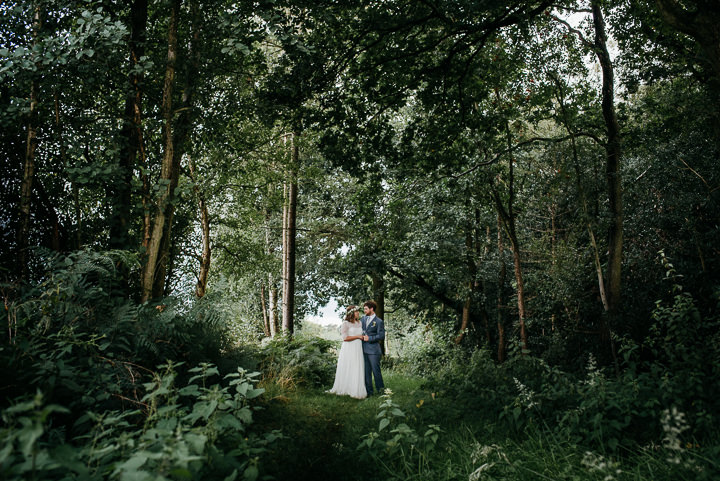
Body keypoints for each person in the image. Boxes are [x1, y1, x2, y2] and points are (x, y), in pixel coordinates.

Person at [328, 305, 367, 399]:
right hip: (349, 348)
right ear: (351, 313)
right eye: (356, 311)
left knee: (357, 367)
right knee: (348, 366)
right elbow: (345, 338)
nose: (358, 313)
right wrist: (358, 337)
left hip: (358, 348)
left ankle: (356, 388)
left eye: (358, 311)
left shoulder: (360, 322)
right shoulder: (345, 323)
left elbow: (363, 334)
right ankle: (346, 387)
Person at [360, 300, 385, 396]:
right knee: (366, 373)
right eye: (364, 309)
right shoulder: (362, 319)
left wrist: (370, 338)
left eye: (366, 309)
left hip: (374, 351)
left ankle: (381, 392)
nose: (364, 310)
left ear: (371, 309)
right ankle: (369, 392)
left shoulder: (379, 322)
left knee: (376, 372)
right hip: (363, 350)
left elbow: (381, 336)